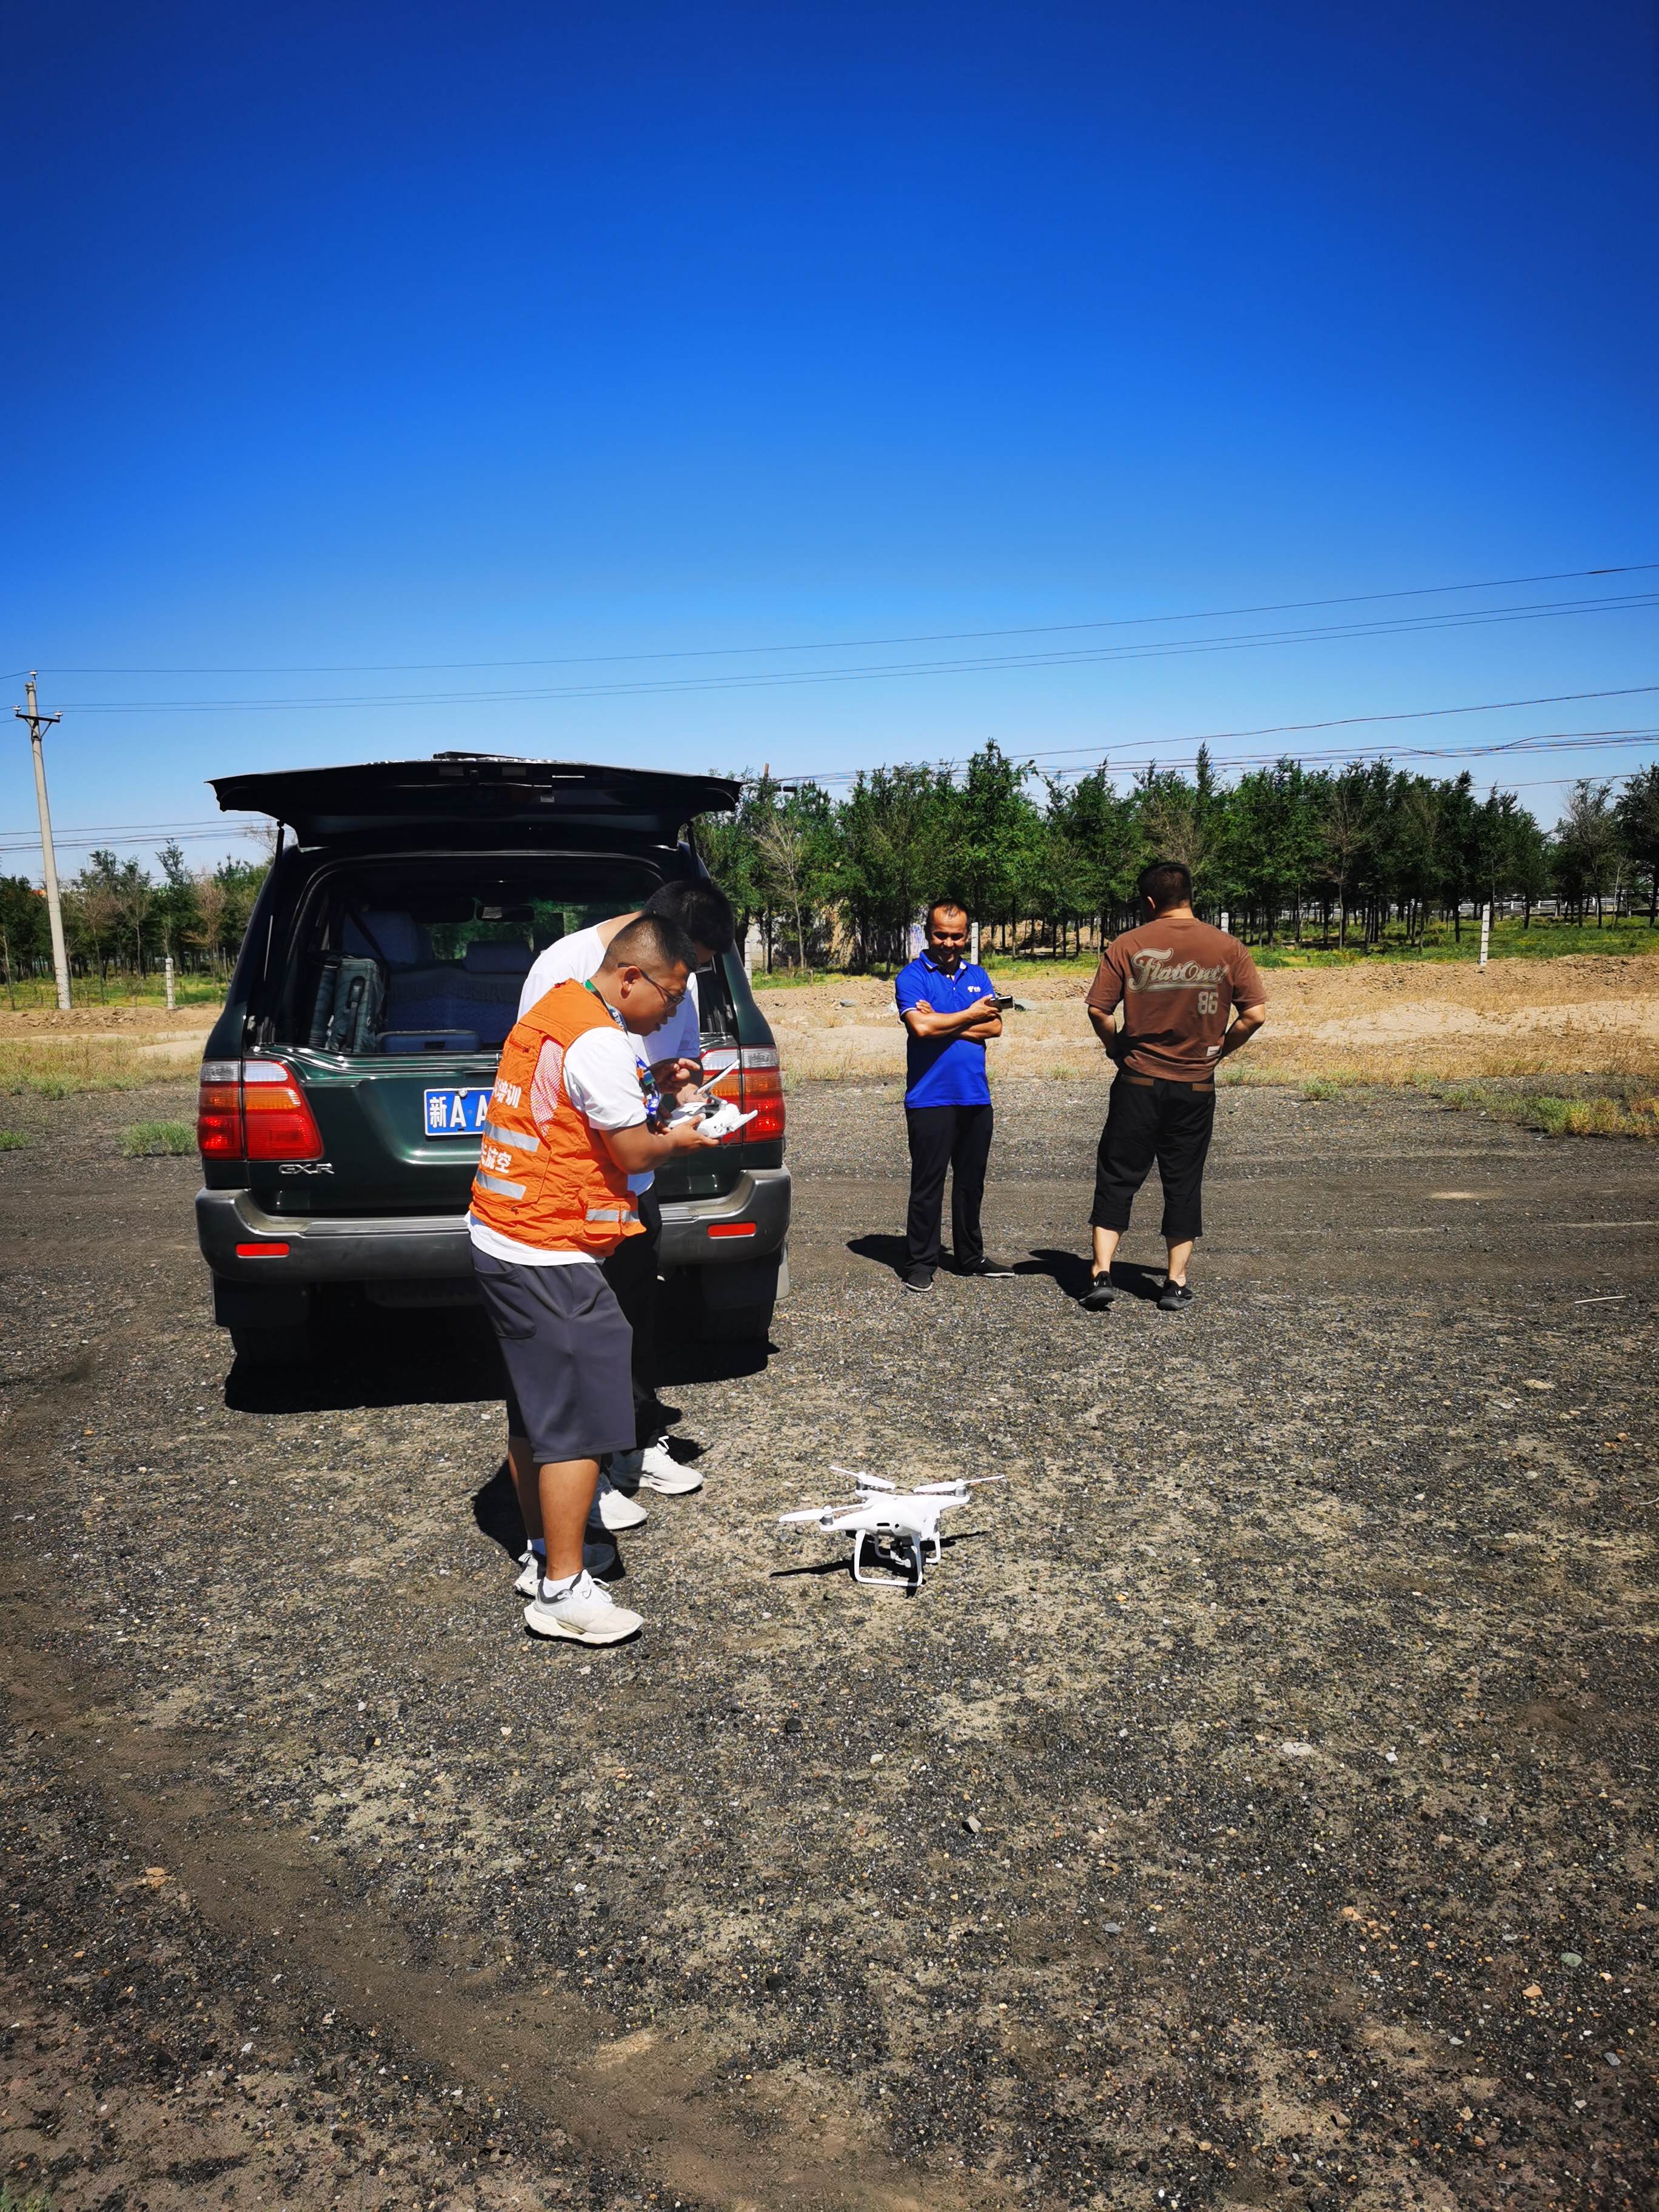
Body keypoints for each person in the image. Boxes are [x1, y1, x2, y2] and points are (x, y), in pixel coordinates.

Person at [469, 914, 722, 1646]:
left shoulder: (556, 1007)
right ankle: (562, 1591)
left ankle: (546, 1550)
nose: (675, 1010)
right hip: (551, 1251)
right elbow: (636, 1154)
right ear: (633, 976)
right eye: (673, 994)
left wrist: (645, 1081)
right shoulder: (602, 1038)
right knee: (578, 1423)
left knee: (536, 1410)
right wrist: (684, 1134)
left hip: (501, 1233)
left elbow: (576, 1103)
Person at [518, 879, 736, 1507]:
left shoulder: (677, 980)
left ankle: (633, 1444)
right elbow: (545, 1075)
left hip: (632, 1188)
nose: (685, 990)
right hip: (576, 1192)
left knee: (630, 1323)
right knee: (576, 1338)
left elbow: (670, 1067)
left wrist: (678, 1087)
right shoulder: (565, 969)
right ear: (651, 953)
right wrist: (656, 1127)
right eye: (685, 972)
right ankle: (587, 1470)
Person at [1081, 861, 1265, 1315]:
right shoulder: (1227, 947)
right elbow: (1255, 1014)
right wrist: (1219, 1050)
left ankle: (1102, 1272)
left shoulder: (1127, 945)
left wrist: (1116, 1048)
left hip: (1138, 1081)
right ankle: (1174, 1282)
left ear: (1148, 902)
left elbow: (1099, 1011)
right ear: (1189, 895)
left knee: (1118, 1175)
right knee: (1183, 1181)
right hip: (1195, 1085)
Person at [893, 900, 1013, 1293]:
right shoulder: (911, 977)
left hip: (975, 1098)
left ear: (967, 935)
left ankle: (970, 1256)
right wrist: (969, 1015)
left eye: (956, 935)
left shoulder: (978, 975)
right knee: (928, 1184)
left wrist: (945, 1022)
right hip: (930, 1099)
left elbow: (994, 1027)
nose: (948, 942)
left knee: (970, 1183)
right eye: (940, 935)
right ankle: (921, 1262)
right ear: (928, 933)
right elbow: (921, 1030)